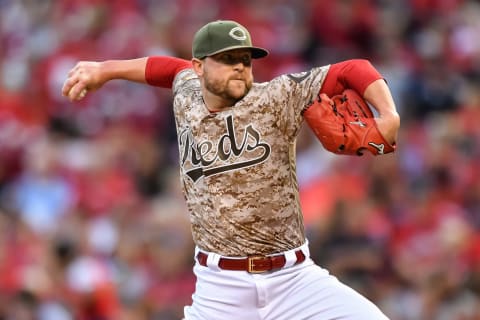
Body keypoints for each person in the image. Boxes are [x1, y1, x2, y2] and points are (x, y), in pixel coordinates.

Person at [62, 20, 400, 320]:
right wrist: (105, 70)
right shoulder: (187, 93)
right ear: (198, 67)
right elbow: (163, 69)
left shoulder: (278, 96)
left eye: (245, 60)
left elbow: (352, 69)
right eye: (226, 59)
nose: (239, 67)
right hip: (220, 291)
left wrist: (387, 114)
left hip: (294, 280)